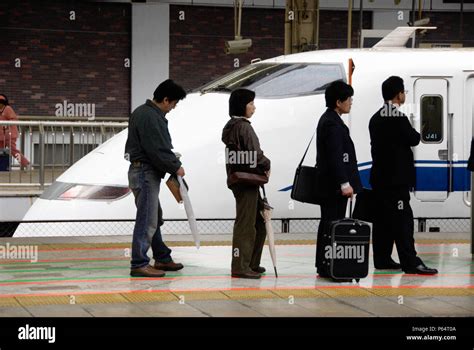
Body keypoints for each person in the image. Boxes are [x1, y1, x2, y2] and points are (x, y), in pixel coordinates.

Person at [369, 76, 438, 275]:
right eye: (403, 92)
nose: (404, 95)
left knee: (382, 221)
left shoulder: (375, 118)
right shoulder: (397, 117)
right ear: (398, 94)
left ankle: (382, 259)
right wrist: (421, 129)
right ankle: (410, 261)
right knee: (403, 220)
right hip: (396, 181)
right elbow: (414, 139)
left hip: (380, 180)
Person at [125, 79, 187, 278]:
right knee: (147, 219)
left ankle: (162, 257)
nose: (173, 108)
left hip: (138, 172)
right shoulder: (152, 116)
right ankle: (139, 263)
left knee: (153, 217)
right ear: (166, 99)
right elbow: (157, 149)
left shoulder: (141, 112)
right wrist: (176, 166)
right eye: (174, 103)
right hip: (145, 173)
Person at [315, 80, 362, 280]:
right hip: (333, 186)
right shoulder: (333, 124)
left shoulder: (328, 119)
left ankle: (325, 265)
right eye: (348, 99)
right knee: (332, 225)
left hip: (327, 185)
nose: (350, 102)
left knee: (328, 224)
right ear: (338, 101)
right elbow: (336, 157)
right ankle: (330, 266)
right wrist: (345, 184)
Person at [222, 89, 271, 279]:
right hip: (247, 180)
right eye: (251, 103)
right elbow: (255, 154)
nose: (254, 107)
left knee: (257, 221)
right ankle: (241, 266)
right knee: (246, 223)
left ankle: (251, 262)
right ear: (242, 105)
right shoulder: (244, 127)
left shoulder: (231, 126)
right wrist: (267, 163)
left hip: (240, 179)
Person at [0, 94, 30, 168]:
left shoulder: (7, 109)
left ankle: (26, 164)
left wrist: (6, 125)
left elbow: (14, 119)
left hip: (9, 134)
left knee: (13, 151)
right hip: (1, 135)